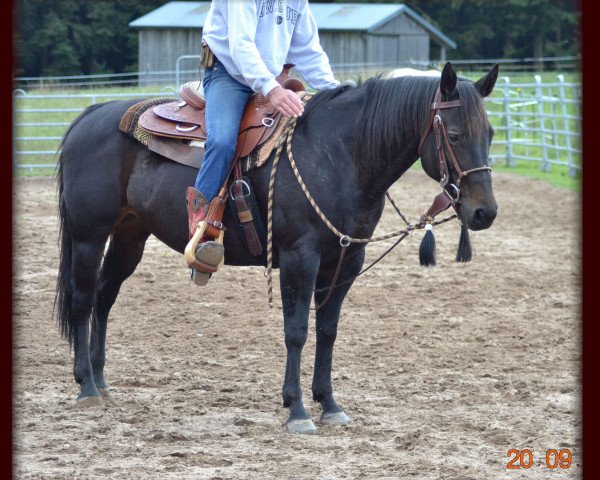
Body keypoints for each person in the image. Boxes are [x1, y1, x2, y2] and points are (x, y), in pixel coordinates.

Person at [185, 0, 340, 286]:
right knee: (222, 141)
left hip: (272, 76)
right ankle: (201, 221)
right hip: (229, 75)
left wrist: (336, 95)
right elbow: (240, 45)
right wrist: (271, 90)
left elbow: (308, 49)